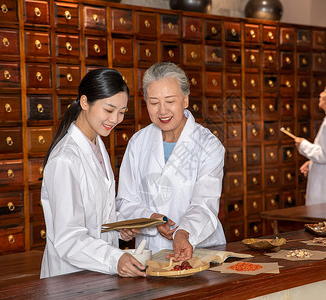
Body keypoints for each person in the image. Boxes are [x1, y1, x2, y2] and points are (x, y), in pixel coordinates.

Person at [40, 68, 146, 278]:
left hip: (98, 275)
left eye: (122, 112)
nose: (115, 119)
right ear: (85, 102)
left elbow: (95, 213)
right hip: (70, 278)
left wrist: (118, 227)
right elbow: (68, 238)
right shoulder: (65, 159)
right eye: (109, 110)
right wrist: (115, 258)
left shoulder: (96, 145)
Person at [116, 62, 226, 261]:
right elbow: (125, 201)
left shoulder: (208, 145)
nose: (162, 111)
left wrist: (183, 232)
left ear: (185, 100)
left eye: (170, 101)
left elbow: (204, 203)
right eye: (154, 102)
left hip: (200, 249)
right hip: (151, 252)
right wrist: (151, 219)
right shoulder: (138, 142)